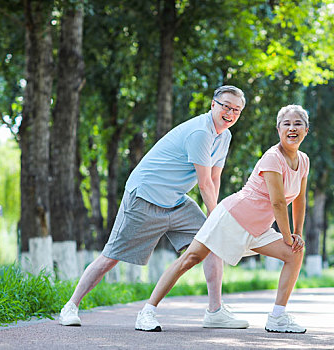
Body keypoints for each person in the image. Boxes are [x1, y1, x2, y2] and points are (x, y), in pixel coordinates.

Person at [59, 85, 249, 330]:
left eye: (236, 110)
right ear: (213, 105)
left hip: (176, 201)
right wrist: (216, 218)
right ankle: (70, 306)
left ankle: (215, 312)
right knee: (111, 257)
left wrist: (216, 219)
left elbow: (214, 178)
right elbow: (203, 184)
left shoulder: (225, 136)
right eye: (225, 106)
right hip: (144, 198)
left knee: (212, 244)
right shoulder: (201, 132)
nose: (230, 113)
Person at [136, 104, 310, 333]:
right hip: (232, 217)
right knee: (190, 259)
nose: (292, 128)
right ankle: (147, 312)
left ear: (306, 130)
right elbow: (278, 203)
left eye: (297, 123)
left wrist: (297, 234)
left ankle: (277, 317)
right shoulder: (272, 158)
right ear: (278, 130)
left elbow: (299, 199)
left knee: (295, 254)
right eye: (286, 124)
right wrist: (288, 237)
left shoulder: (303, 160)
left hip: (259, 228)